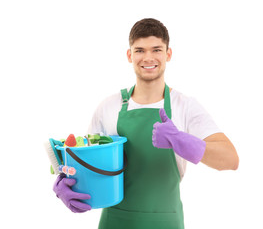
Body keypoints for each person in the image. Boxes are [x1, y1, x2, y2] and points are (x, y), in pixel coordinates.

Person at [53, 18, 239, 228]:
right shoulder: (108, 107)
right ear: (129, 55)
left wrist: (182, 140)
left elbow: (230, 159)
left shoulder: (185, 106)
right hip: (115, 221)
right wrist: (64, 183)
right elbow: (85, 161)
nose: (148, 57)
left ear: (168, 54)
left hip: (166, 221)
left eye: (156, 49)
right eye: (140, 50)